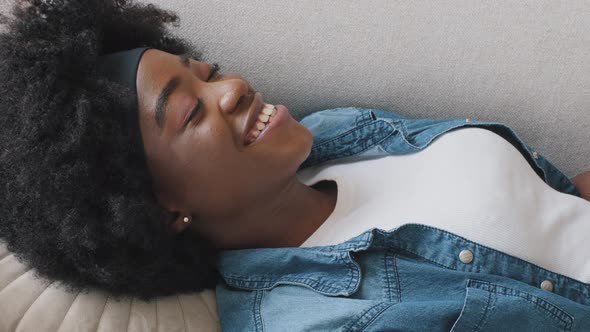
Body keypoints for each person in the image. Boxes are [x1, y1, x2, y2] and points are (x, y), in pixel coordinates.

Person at [0, 0, 589, 330]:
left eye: (205, 74)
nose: (230, 90)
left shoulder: (336, 132)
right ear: (157, 206)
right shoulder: (313, 322)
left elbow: (551, 204)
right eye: (189, 114)